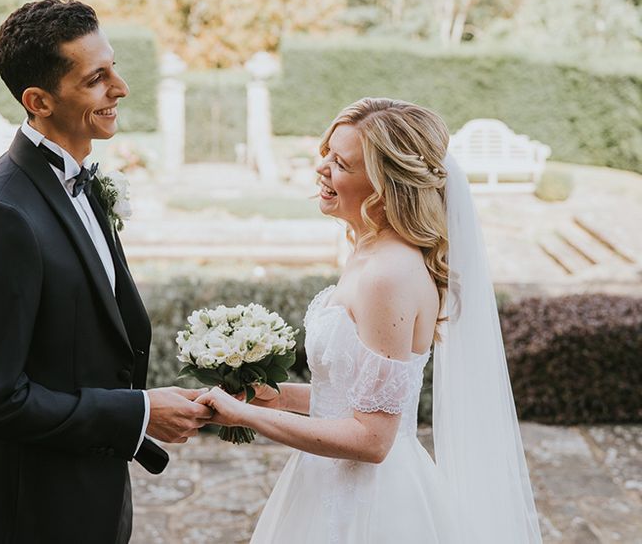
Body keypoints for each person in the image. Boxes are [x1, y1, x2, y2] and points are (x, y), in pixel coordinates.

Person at [197, 98, 542, 543]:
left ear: (385, 186)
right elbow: (351, 395)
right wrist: (277, 398)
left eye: (340, 163)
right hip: (326, 480)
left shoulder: (388, 275)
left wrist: (244, 415)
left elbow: (372, 439)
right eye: (326, 153)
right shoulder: (369, 250)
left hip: (370, 504)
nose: (322, 168)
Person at [0, 0, 212, 544]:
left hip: (91, 484)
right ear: (38, 101)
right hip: (38, 506)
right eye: (96, 79)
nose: (121, 88)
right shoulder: (1, 217)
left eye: (113, 67)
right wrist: (137, 413)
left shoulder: (81, 181)